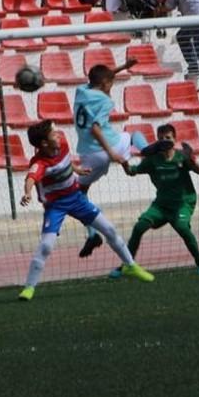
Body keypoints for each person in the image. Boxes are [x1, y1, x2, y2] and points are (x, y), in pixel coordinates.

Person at [18, 120, 154, 300]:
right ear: (44, 143)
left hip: (76, 199)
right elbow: (31, 178)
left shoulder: (63, 143)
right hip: (55, 206)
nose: (58, 134)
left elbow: (65, 162)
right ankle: (29, 288)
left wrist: (77, 170)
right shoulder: (39, 163)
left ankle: (130, 265)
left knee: (109, 230)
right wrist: (27, 193)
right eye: (53, 133)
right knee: (46, 246)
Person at [72, 62, 149, 258]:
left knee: (77, 196)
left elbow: (100, 78)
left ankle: (92, 235)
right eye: (111, 84)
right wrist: (112, 154)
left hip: (87, 153)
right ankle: (149, 153)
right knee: (133, 135)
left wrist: (122, 67)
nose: (111, 87)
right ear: (106, 84)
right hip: (106, 148)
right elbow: (95, 128)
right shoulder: (105, 101)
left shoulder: (80, 92)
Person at [112, 124, 199, 278]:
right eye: (161, 138)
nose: (164, 140)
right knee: (139, 227)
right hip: (161, 204)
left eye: (168, 138)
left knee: (183, 228)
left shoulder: (181, 156)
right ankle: (127, 264)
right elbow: (132, 172)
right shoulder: (152, 160)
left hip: (183, 202)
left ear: (174, 139)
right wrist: (124, 162)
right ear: (157, 140)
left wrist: (192, 159)